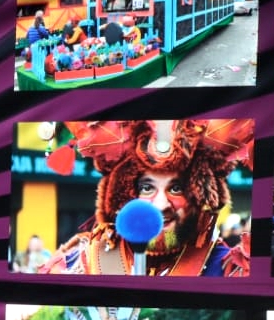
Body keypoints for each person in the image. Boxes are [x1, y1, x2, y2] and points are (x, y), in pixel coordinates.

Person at [40, 119, 252, 277]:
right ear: (125, 194)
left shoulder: (230, 270)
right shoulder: (76, 266)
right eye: (147, 188)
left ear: (199, 195)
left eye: (177, 188)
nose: (160, 205)